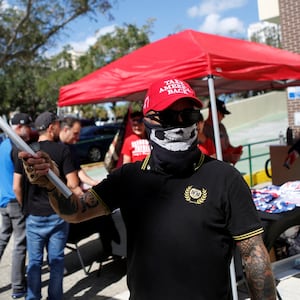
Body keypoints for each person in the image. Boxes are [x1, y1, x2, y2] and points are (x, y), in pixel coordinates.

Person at [19, 78, 276, 300]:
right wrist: (51, 183)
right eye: (166, 116)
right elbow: (75, 211)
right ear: (148, 121)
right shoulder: (129, 178)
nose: (178, 124)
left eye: (187, 116)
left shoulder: (225, 178)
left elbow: (254, 254)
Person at [14, 111, 83, 300]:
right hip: (57, 216)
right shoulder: (62, 151)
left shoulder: (24, 150)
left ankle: (32, 297)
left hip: (34, 216)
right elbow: (73, 184)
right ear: (52, 127)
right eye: (59, 125)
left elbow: (16, 186)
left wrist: (25, 209)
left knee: (35, 262)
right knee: (56, 261)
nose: (60, 128)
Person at [0, 113, 31, 299]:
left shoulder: (2, 145)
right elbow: (18, 184)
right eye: (28, 126)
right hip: (15, 201)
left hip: (3, 202)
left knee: (3, 241)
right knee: (20, 245)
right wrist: (24, 206)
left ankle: (18, 284)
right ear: (19, 127)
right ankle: (18, 287)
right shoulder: (15, 147)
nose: (30, 131)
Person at [59, 116, 100, 188]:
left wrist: (93, 183)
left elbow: (78, 170)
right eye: (75, 133)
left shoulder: (71, 147)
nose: (78, 137)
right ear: (65, 129)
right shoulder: (54, 148)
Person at [203, 99, 243, 165]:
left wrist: (236, 151)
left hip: (226, 166)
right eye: (222, 113)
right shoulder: (202, 129)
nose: (223, 117)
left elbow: (228, 146)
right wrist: (228, 156)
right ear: (212, 111)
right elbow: (208, 154)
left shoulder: (222, 127)